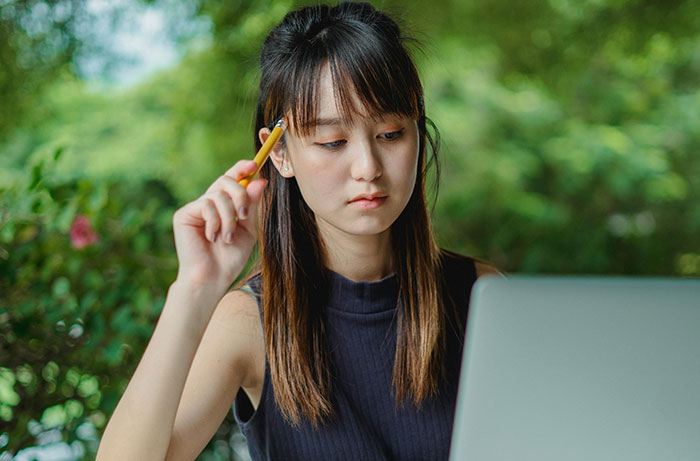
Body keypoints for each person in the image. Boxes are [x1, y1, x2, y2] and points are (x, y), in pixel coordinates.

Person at [96, 2, 500, 460]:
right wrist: (195, 288)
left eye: (390, 134)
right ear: (281, 154)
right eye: (333, 142)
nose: (368, 168)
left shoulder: (484, 299)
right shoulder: (249, 323)